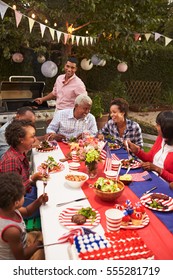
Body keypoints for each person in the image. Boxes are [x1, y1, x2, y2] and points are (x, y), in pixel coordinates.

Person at [0, 120, 45, 214]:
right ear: (21, 139)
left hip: (26, 194)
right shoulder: (11, 160)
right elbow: (12, 194)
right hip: (20, 202)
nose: (35, 139)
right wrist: (32, 179)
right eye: (32, 136)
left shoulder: (20, 152)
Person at [0, 172, 48, 260]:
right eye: (23, 195)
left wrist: (39, 200)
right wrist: (37, 245)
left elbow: (27, 211)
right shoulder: (12, 230)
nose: (24, 195)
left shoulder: (8, 208)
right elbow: (21, 257)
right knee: (47, 252)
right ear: (16, 203)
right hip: (17, 259)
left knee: (45, 236)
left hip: (21, 242)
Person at [128, 111, 173, 182]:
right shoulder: (161, 138)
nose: (156, 126)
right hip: (151, 177)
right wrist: (137, 151)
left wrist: (157, 169)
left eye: (158, 125)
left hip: (165, 186)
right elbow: (149, 158)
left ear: (166, 129)